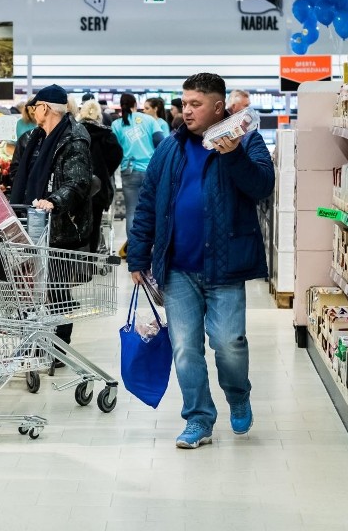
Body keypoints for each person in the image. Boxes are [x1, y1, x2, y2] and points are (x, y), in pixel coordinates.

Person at [127, 73, 274, 449]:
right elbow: (147, 204)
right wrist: (138, 257)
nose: (186, 110)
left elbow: (261, 187)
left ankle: (238, 394)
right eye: (185, 102)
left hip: (225, 266)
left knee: (228, 343)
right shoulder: (170, 148)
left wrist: (234, 154)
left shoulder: (247, 140)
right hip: (177, 269)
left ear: (218, 106)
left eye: (195, 104)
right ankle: (198, 419)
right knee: (185, 348)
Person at [10, 84, 93, 361]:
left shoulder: (74, 138)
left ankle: (58, 345)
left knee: (56, 289)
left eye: (35, 107)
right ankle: (37, 338)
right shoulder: (32, 138)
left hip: (60, 227)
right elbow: (16, 172)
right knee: (31, 288)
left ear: (45, 107)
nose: (33, 112)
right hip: (29, 223)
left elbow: (78, 181)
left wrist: (54, 201)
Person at [111, 93, 165, 257]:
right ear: (136, 104)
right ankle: (154, 248)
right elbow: (160, 142)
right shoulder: (149, 120)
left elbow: (115, 149)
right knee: (154, 209)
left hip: (129, 170)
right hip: (150, 170)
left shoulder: (116, 125)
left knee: (132, 212)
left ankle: (135, 251)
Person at [78, 99, 123, 254]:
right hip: (98, 188)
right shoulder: (107, 135)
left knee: (76, 224)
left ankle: (79, 264)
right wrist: (105, 172)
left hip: (76, 188)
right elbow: (117, 155)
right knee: (95, 224)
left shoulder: (75, 132)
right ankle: (91, 260)